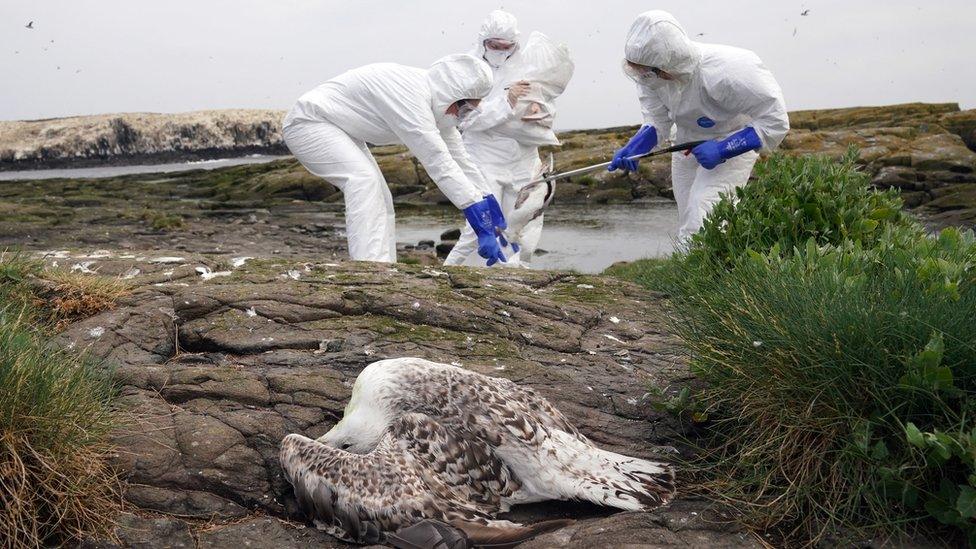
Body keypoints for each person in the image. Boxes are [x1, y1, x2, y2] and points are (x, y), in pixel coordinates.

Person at [282, 54, 507, 265]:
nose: (463, 116)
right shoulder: (411, 96)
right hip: (308, 123)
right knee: (363, 180)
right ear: (452, 94)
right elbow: (438, 161)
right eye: (466, 108)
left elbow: (459, 158)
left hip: (339, 128)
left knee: (382, 196)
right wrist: (478, 217)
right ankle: (369, 270)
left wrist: (487, 200)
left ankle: (385, 267)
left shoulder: (435, 105)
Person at [610, 10, 789, 245]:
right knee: (687, 215)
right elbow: (657, 119)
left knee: (704, 213)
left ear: (668, 61)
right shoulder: (650, 77)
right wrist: (636, 145)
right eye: (637, 70)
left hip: (732, 137)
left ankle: (707, 277)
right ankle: (695, 274)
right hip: (686, 142)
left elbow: (775, 122)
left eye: (645, 71)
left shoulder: (732, 71)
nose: (641, 77)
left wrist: (724, 149)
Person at [444, 11, 552, 267]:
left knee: (522, 222)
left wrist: (538, 109)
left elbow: (545, 99)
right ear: (484, 41)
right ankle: (448, 272)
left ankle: (514, 276)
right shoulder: (467, 68)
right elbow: (467, 120)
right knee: (481, 222)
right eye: (495, 46)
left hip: (522, 157)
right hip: (483, 156)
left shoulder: (526, 64)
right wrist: (507, 101)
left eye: (507, 47)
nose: (502, 51)